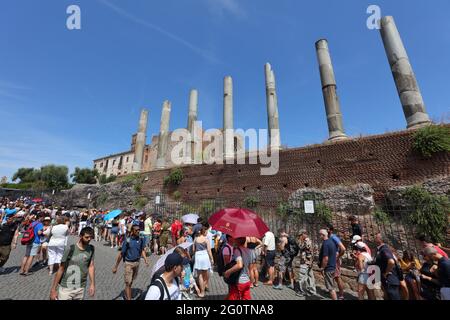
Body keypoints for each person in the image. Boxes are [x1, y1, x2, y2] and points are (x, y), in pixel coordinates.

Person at [49, 227, 95, 300]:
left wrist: (92, 284)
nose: (89, 239)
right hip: (66, 287)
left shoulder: (91, 249)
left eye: (91, 237)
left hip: (81, 287)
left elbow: (91, 266)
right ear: (80, 236)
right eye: (87, 237)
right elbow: (61, 269)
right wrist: (53, 289)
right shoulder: (70, 249)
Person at [112, 224, 149, 300]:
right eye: (136, 230)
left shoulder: (141, 239)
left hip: (136, 263)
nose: (138, 231)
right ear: (132, 231)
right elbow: (121, 254)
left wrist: (145, 260)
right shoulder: (128, 240)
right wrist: (116, 266)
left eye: (139, 230)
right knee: (128, 282)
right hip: (128, 263)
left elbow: (142, 250)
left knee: (131, 281)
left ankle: (128, 292)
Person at [373, 233, 401, 300]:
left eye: (376, 237)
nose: (375, 238)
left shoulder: (384, 249)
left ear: (381, 239)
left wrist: (386, 272)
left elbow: (391, 262)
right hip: (387, 280)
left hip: (390, 279)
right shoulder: (380, 250)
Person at [193, 226, 214, 298]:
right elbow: (209, 250)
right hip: (205, 256)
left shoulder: (195, 239)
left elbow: (193, 250)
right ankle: (203, 289)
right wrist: (212, 259)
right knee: (205, 275)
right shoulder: (206, 239)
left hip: (198, 256)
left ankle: (202, 291)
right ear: (204, 232)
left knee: (200, 275)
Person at [327, 225, 346, 300]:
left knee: (337, 277)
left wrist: (338, 256)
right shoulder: (329, 237)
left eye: (327, 229)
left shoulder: (333, 237)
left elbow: (343, 248)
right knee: (332, 276)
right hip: (330, 259)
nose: (326, 230)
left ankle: (341, 295)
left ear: (331, 230)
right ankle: (332, 292)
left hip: (334, 260)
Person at [318, 229, 338, 300]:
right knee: (332, 286)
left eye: (319, 234)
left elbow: (325, 258)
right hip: (333, 266)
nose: (319, 236)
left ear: (322, 235)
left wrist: (322, 268)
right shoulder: (331, 241)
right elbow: (336, 254)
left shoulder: (326, 243)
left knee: (330, 288)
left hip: (328, 268)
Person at [296, 230, 316, 297]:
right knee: (310, 276)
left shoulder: (306, 241)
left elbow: (301, 247)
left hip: (305, 262)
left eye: (300, 235)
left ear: (303, 234)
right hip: (309, 262)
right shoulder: (308, 240)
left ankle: (302, 291)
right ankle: (312, 291)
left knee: (302, 277)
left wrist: (299, 240)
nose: (299, 237)